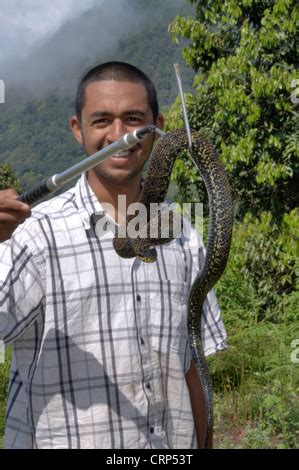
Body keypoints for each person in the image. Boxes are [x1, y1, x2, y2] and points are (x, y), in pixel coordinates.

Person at [0, 61, 227, 449]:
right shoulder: (33, 234)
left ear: (157, 126)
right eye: (102, 120)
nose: (120, 135)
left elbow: (190, 366)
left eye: (134, 119)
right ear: (78, 129)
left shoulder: (181, 234)